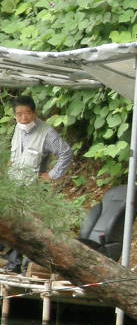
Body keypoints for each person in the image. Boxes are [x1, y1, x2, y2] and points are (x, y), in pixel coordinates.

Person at [3, 95, 73, 273]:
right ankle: (13, 264)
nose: (23, 118)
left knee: (30, 228)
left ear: (34, 113)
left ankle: (28, 266)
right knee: (14, 226)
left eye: (27, 113)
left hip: (34, 189)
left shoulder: (47, 133)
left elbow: (66, 153)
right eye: (19, 114)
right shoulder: (18, 129)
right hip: (15, 187)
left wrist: (51, 175)